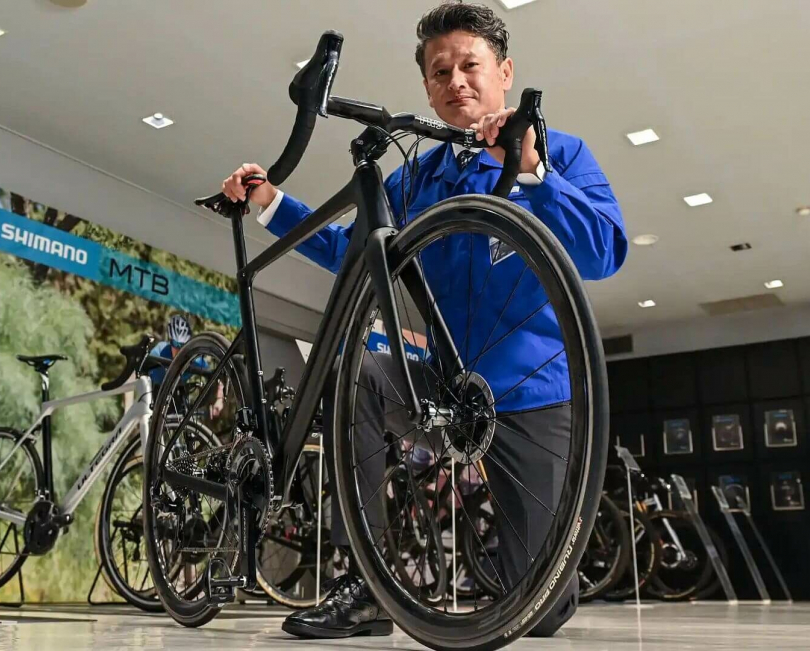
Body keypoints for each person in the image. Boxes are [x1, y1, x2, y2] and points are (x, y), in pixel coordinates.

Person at [220, 2, 626, 639]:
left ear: (505, 72)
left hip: (534, 397)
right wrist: (273, 204)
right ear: (428, 91)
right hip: (443, 389)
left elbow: (605, 251)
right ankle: (368, 581)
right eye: (440, 72)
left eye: (470, 65)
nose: (456, 81)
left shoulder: (561, 153)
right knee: (358, 375)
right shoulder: (415, 180)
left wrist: (533, 173)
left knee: (542, 609)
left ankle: (517, 573)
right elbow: (353, 254)